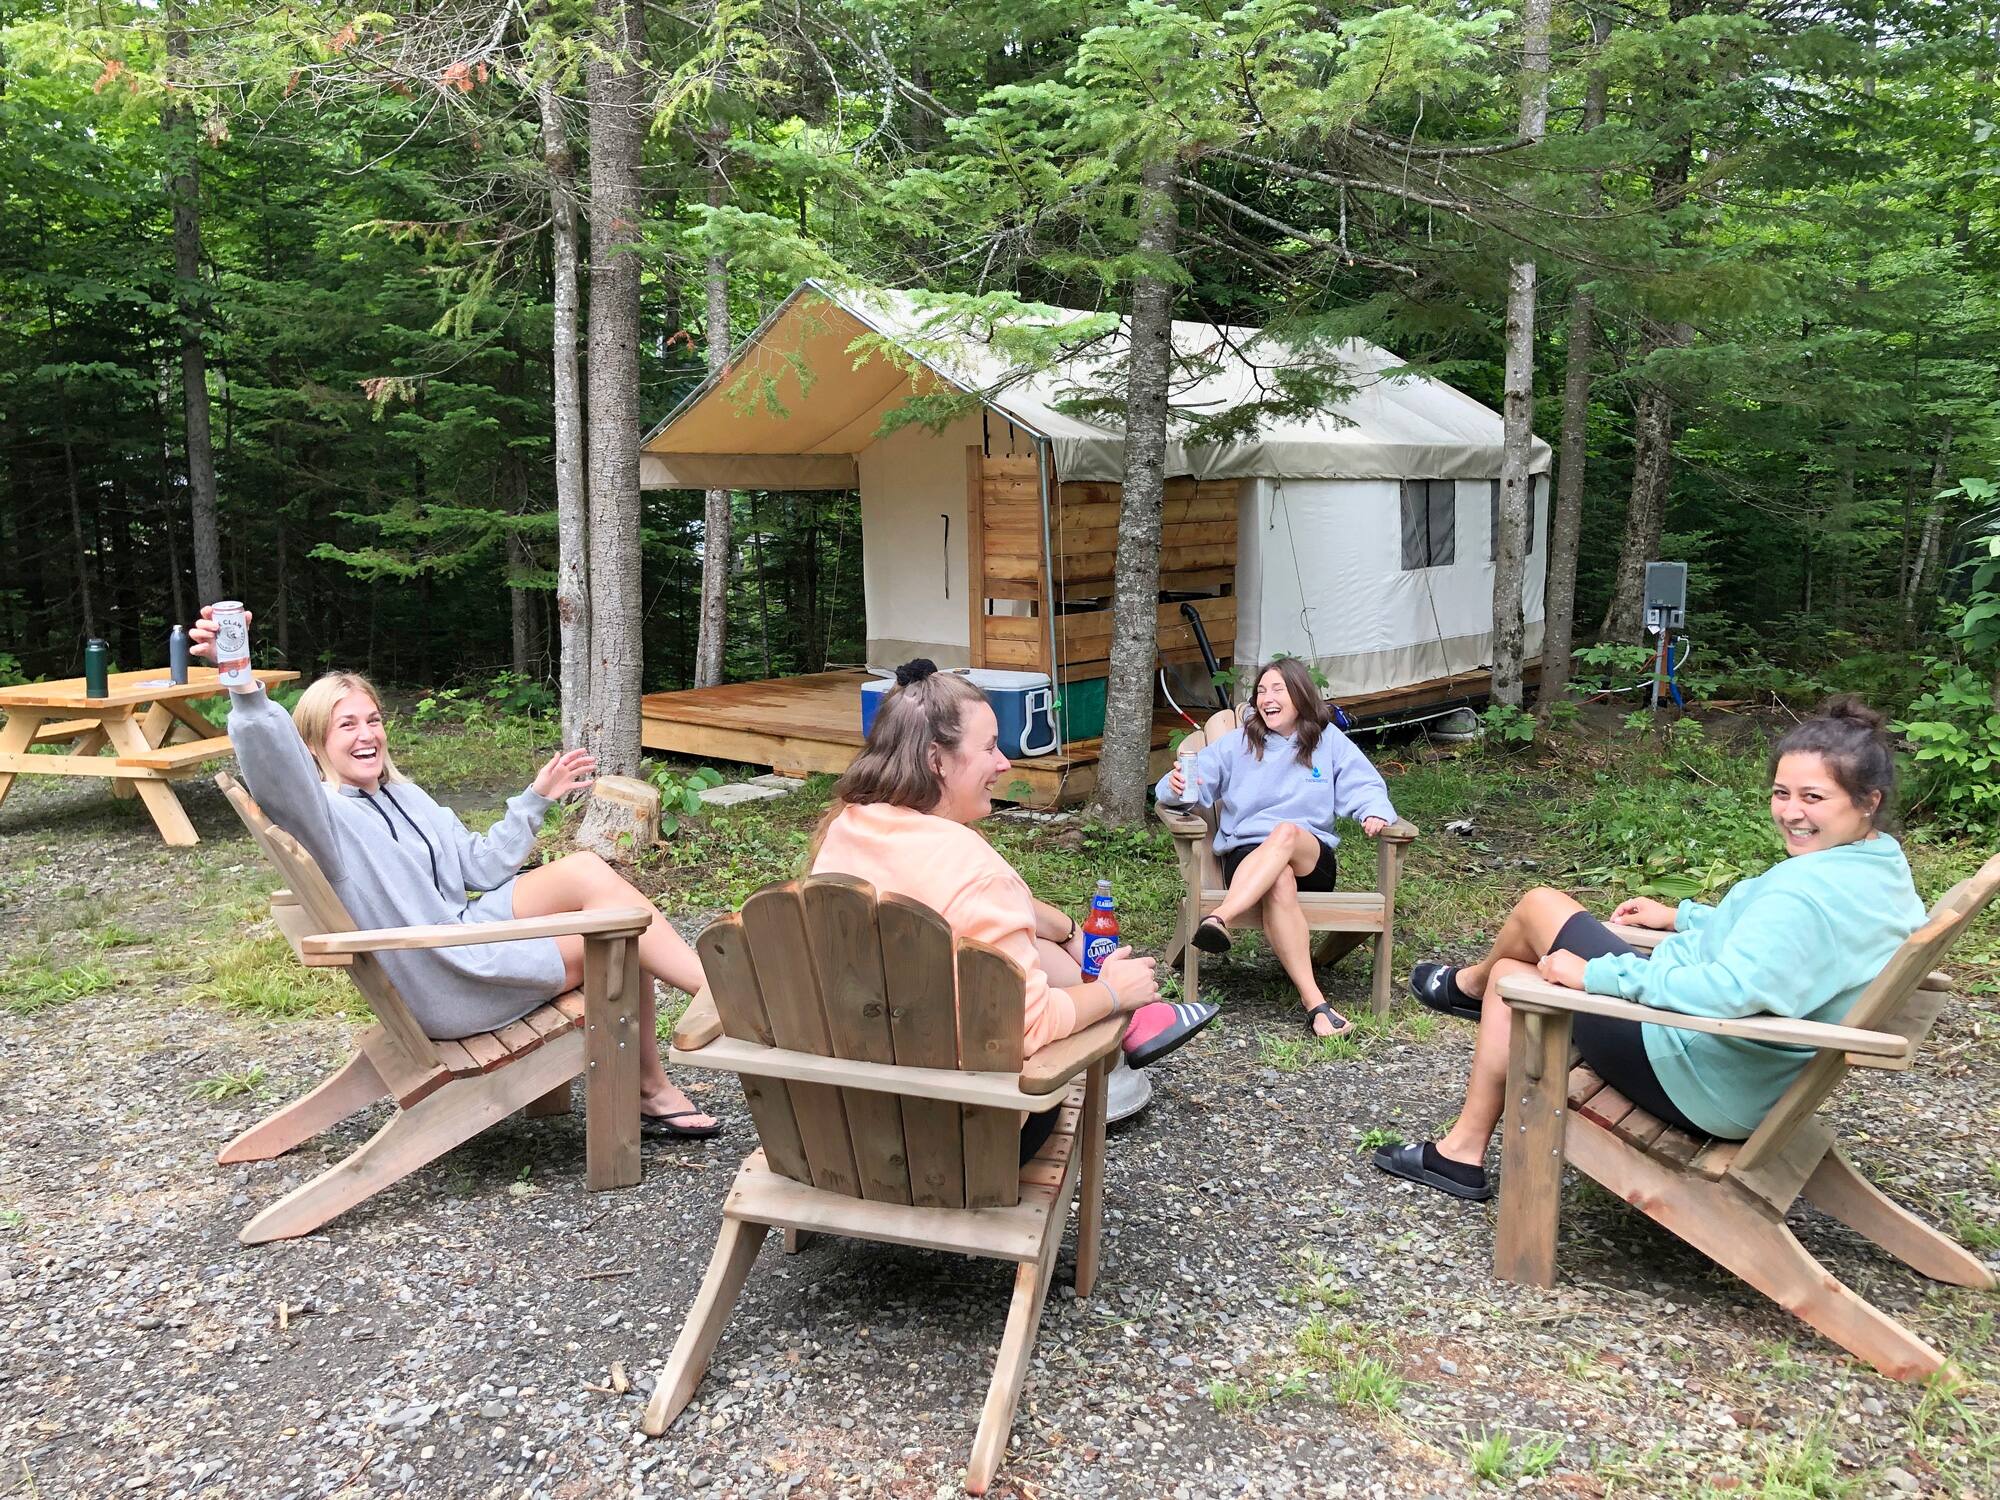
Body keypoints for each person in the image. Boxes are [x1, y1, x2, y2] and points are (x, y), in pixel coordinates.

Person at [189, 605, 720, 1139]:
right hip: (446, 976)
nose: (365, 734)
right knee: (621, 937)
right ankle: (667, 1070)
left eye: (372, 719)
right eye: (345, 725)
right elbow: (273, 768)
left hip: (462, 934)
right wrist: (242, 684)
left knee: (585, 871)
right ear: (312, 744)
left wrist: (536, 798)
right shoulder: (323, 817)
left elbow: (480, 868)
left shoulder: (403, 794)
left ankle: (714, 997)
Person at [1377, 695, 1925, 1201]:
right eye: (1781, 793)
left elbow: (1730, 991)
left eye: (1814, 797)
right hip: (1749, 1072)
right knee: (1520, 968)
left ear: (1867, 801)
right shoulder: (1877, 869)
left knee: (1531, 927)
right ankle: (1460, 1132)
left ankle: (1467, 1005)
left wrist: (1596, 978)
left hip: (1700, 1070)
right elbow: (1779, 945)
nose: (1790, 811)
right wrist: (1683, 916)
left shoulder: (1806, 891)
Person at [810, 661, 1216, 1160]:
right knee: (1072, 1001)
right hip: (963, 1136)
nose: (1005, 763)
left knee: (1038, 947)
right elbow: (1029, 1027)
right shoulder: (975, 872)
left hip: (841, 1119)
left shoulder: (848, 829)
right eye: (989, 748)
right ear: (937, 759)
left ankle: (1135, 1024)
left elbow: (981, 903)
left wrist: (1066, 928)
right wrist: (1113, 993)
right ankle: (1132, 1023)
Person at [1154, 656, 1399, 1039]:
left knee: (1285, 833)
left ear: (1300, 695)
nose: (1266, 698)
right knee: (1278, 880)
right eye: (1261, 691)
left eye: (1277, 689)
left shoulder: (1327, 740)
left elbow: (1365, 784)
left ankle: (1220, 918)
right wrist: (1177, 786)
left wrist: (1373, 812)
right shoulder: (1237, 744)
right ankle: (1317, 1006)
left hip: (1310, 858)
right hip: (1248, 860)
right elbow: (1183, 785)